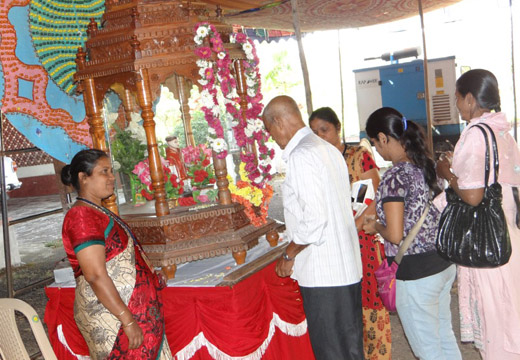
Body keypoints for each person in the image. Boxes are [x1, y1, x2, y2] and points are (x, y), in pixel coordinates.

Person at [262, 96, 363, 360]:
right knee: (350, 350)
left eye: (269, 130)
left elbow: (314, 219)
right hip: (345, 269)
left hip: (324, 274)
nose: (271, 137)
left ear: (279, 121)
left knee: (332, 352)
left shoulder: (302, 154)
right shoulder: (326, 148)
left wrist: (289, 254)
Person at [362, 107, 461, 360]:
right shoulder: (427, 167)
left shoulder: (394, 176)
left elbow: (395, 235)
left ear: (384, 138)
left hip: (417, 276)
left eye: (375, 143)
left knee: (427, 350)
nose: (377, 150)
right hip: (443, 265)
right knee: (444, 336)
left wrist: (375, 227)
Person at [436, 69, 520, 360]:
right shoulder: (502, 132)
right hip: (507, 232)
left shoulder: (475, 134)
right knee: (510, 312)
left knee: (495, 317)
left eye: (458, 98)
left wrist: (447, 172)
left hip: (485, 236)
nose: (457, 105)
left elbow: (473, 196)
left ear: (470, 99)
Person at [60, 149, 173, 359]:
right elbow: (95, 275)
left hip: (131, 312)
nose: (112, 177)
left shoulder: (96, 211)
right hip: (114, 317)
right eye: (105, 171)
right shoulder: (81, 216)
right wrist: (127, 319)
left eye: (111, 171)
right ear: (83, 177)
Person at [309, 107, 391, 360]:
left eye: (325, 130)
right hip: (335, 243)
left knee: (370, 300)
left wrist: (349, 229)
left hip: (362, 239)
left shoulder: (357, 157)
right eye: (315, 132)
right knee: (345, 304)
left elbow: (372, 200)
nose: (321, 136)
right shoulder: (315, 162)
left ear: (338, 128)